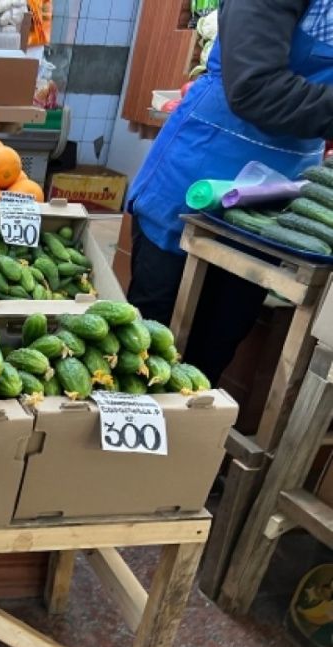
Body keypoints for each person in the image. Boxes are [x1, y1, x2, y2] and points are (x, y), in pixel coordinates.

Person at [125, 0, 333, 383]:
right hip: (202, 168)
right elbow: (256, 88)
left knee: (213, 351)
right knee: (146, 345)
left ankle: (195, 416)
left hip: (276, 196)